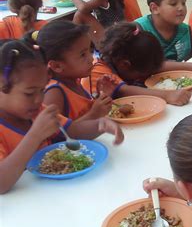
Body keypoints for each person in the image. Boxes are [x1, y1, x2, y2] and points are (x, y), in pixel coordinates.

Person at [0, 39, 124, 194]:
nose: (39, 99)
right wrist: (35, 135)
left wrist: (100, 124)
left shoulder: (37, 110)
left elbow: (71, 130)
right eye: (29, 93)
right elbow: (2, 184)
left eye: (41, 90)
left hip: (57, 193)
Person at [82, 22, 192, 106]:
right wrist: (168, 96)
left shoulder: (127, 59)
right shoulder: (97, 70)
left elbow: (159, 67)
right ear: (125, 64)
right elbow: (124, 91)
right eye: (143, 73)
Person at [32, 20, 112, 120]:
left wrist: (100, 96)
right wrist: (94, 114)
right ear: (57, 66)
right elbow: (58, 134)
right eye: (83, 55)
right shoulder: (54, 93)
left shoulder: (74, 81)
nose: (91, 58)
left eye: (90, 51)